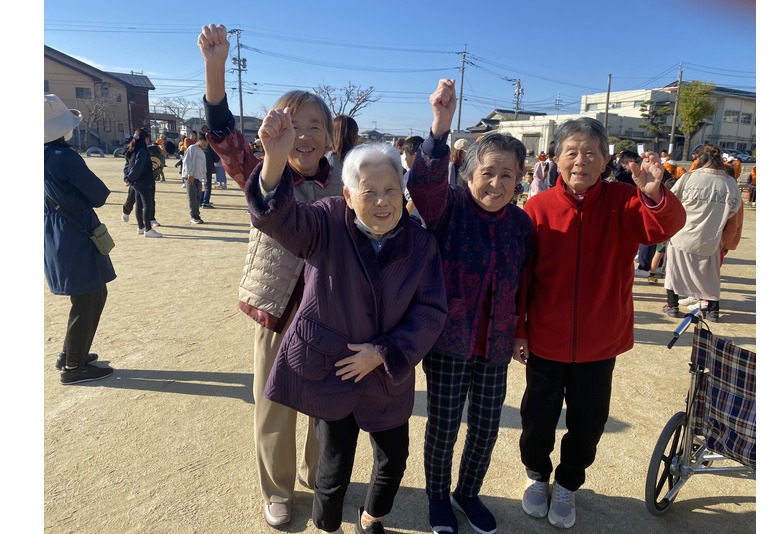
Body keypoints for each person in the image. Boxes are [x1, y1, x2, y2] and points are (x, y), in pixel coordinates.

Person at [249, 110, 448, 534]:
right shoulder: (325, 221)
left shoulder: (420, 244)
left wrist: (384, 352)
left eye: (391, 190)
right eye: (369, 191)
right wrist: (275, 160)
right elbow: (276, 219)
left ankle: (372, 515)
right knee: (332, 465)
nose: (382, 201)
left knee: (393, 459)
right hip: (332, 368)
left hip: (386, 375)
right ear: (348, 194)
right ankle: (328, 527)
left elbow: (430, 312)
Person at [198, 23, 343, 529]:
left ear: (330, 135)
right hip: (278, 309)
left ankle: (316, 474)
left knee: (325, 404)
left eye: (314, 125)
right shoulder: (261, 170)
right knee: (274, 402)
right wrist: (215, 70)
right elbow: (223, 138)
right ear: (273, 130)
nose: (304, 134)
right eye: (292, 124)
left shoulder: (347, 180)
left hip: (330, 314)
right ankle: (277, 489)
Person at [515, 117, 685, 530]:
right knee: (537, 417)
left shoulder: (625, 199)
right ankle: (537, 475)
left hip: (600, 340)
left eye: (591, 153)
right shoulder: (538, 207)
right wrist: (519, 329)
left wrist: (653, 193)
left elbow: (664, 227)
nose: (581, 161)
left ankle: (568, 483)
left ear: (606, 160)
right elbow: (523, 275)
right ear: (556, 159)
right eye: (571, 152)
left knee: (588, 422)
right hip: (546, 339)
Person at [406, 79, 533, 534]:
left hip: (495, 344)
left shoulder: (521, 224)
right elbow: (422, 185)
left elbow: (523, 283)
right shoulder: (449, 208)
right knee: (443, 426)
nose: (496, 183)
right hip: (449, 339)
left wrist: (520, 330)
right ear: (470, 174)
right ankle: (438, 496)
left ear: (519, 178)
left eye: (507, 175)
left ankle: (469, 491)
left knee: (485, 427)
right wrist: (439, 127)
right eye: (488, 172)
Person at [44, 94, 116, 385]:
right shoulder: (64, 157)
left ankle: (70, 353)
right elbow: (98, 194)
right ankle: (73, 365)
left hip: (55, 233)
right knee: (89, 295)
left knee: (87, 295)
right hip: (75, 234)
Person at [662, 144, 743, 322]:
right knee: (710, 276)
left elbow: (671, 201)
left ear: (700, 159)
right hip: (711, 237)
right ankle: (713, 310)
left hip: (682, 234)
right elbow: (734, 211)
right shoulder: (730, 183)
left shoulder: (689, 178)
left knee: (674, 271)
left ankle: (672, 305)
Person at [124, 128, 162, 238]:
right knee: (147, 205)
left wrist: (127, 178)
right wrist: (129, 178)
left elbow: (127, 165)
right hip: (143, 181)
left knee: (139, 204)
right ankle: (148, 229)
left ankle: (140, 227)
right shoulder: (142, 151)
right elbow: (138, 167)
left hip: (136, 182)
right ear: (145, 138)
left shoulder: (133, 148)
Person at [181, 131, 208, 224]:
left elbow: (204, 168)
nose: (206, 144)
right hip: (190, 177)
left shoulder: (202, 153)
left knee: (198, 197)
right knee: (192, 196)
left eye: (207, 143)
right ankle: (194, 216)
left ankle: (197, 215)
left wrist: (204, 180)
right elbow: (186, 162)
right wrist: (190, 174)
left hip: (198, 178)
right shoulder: (192, 148)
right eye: (204, 142)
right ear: (199, 140)